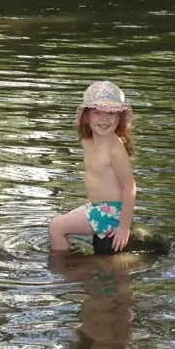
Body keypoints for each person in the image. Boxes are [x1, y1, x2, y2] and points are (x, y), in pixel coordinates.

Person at [48, 80, 136, 253]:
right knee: (59, 221)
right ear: (87, 117)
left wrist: (124, 227)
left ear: (119, 118)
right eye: (97, 112)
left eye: (111, 113)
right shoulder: (87, 141)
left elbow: (130, 187)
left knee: (56, 226)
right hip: (97, 207)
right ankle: (76, 263)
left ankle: (63, 267)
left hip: (113, 213)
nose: (104, 119)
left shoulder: (115, 149)